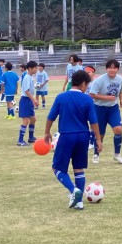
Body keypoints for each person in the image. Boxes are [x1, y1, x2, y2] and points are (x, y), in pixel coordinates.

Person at [43, 70, 103, 210]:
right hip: (83, 136)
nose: (87, 88)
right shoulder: (87, 99)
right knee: (78, 169)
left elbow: (51, 117)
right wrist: (98, 139)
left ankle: (73, 190)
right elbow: (93, 122)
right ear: (83, 84)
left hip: (67, 136)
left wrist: (47, 133)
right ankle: (79, 202)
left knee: (57, 168)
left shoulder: (61, 97)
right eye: (87, 85)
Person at [88, 59, 122, 164]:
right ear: (106, 69)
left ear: (118, 69)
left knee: (118, 129)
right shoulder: (100, 80)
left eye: (114, 68)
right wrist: (106, 98)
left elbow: (120, 91)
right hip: (99, 108)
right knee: (100, 134)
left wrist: (121, 99)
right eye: (110, 68)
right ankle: (96, 154)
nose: (112, 70)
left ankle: (117, 154)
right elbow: (92, 94)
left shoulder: (120, 80)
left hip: (113, 109)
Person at [16, 60, 39, 146]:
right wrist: (34, 100)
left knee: (33, 119)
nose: (36, 70)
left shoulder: (30, 77)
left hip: (29, 100)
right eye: (35, 68)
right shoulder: (26, 77)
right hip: (25, 100)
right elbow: (26, 91)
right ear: (30, 68)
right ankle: (20, 140)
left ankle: (31, 137)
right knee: (26, 121)